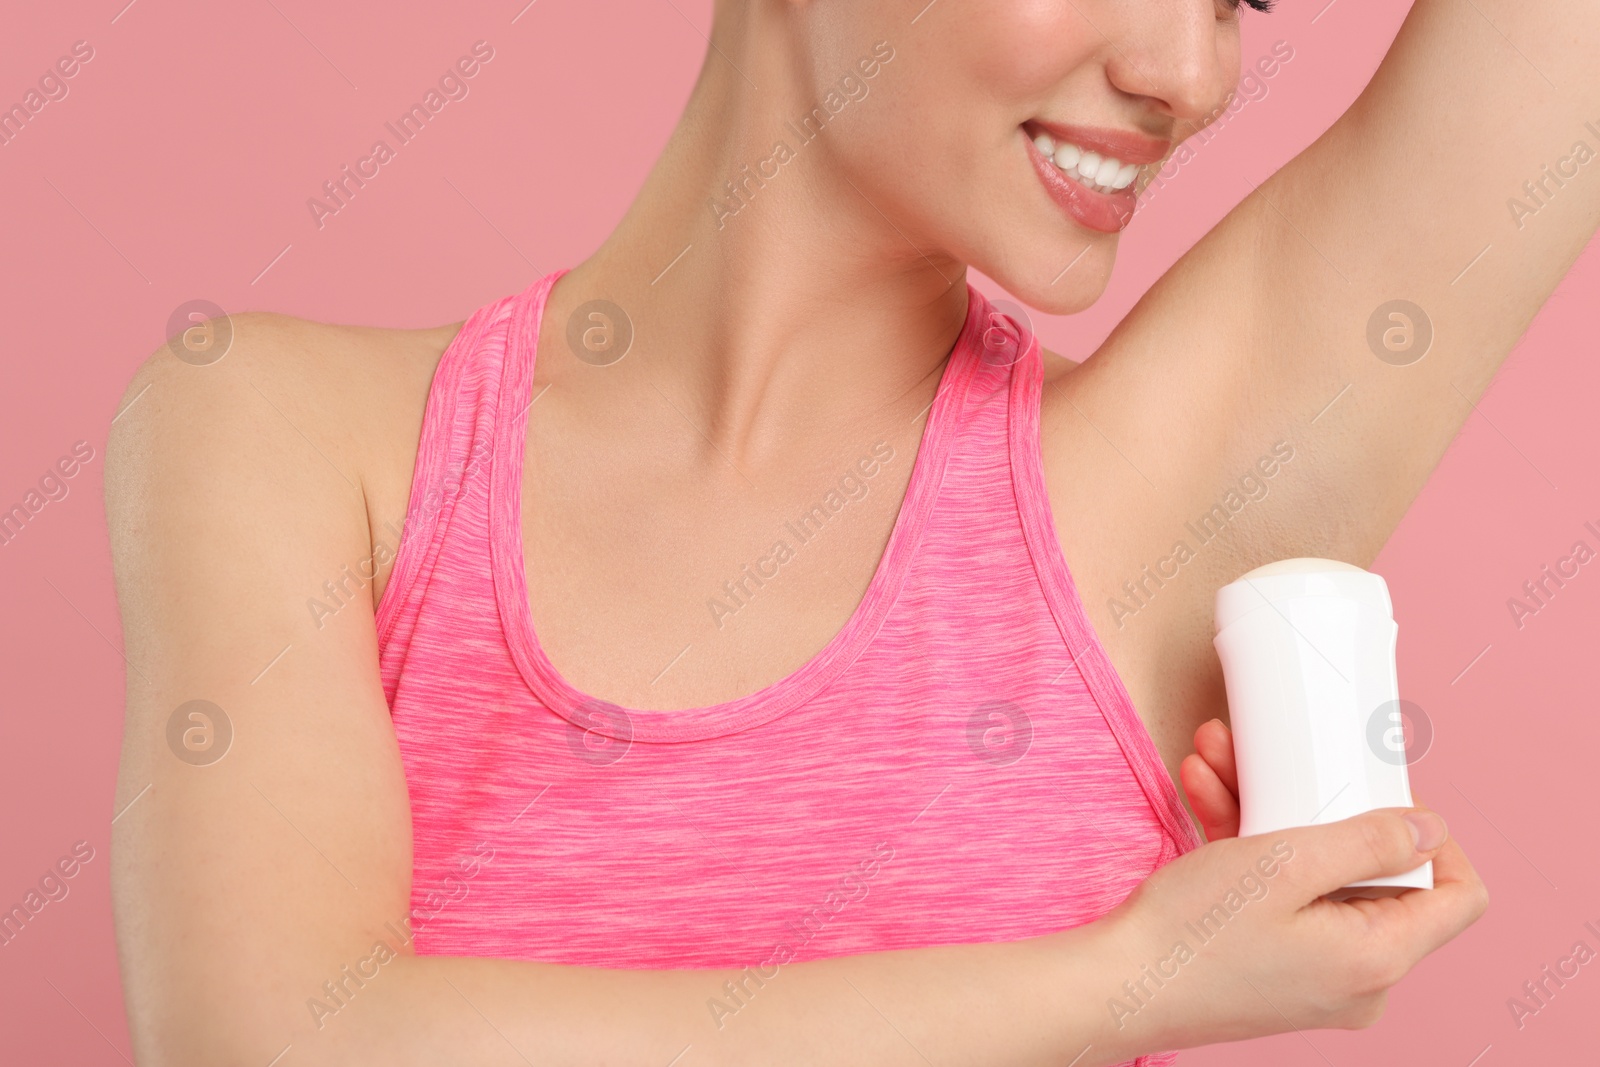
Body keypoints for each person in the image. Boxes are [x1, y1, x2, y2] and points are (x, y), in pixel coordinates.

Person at [106, 0, 1596, 1063]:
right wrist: (1128, 983)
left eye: (1233, 1)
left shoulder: (1150, 495)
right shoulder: (281, 430)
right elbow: (275, 1041)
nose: (1184, 72)